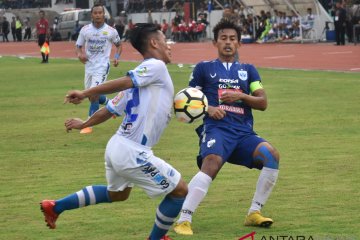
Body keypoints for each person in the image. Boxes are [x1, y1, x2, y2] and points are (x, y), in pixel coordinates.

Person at [40, 23, 187, 240]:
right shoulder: (156, 66)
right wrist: (85, 92)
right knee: (180, 191)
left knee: (117, 194)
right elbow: (125, 82)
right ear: (154, 43)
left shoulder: (142, 79)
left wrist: (83, 124)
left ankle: (56, 206)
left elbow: (108, 110)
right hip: (133, 151)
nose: (169, 46)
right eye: (165, 40)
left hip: (117, 146)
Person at [173, 18, 280, 236]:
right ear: (215, 42)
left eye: (232, 39)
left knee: (272, 156)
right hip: (216, 129)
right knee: (211, 163)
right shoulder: (204, 68)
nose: (228, 42)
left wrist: (241, 95)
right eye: (223, 38)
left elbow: (263, 103)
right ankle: (184, 219)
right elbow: (187, 99)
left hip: (243, 133)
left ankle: (254, 212)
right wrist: (210, 108)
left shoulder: (249, 70)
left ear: (239, 43)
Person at [75, 4, 123, 134]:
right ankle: (111, 105)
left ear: (104, 15)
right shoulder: (85, 30)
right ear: (92, 15)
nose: (97, 15)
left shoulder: (111, 31)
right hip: (89, 67)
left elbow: (119, 45)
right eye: (95, 13)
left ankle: (88, 124)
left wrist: (117, 57)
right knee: (90, 96)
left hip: (102, 66)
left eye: (99, 13)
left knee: (93, 94)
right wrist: (80, 55)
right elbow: (78, 46)